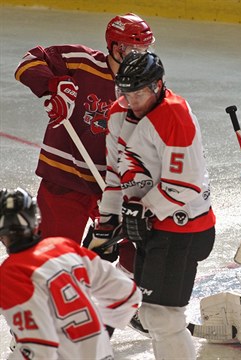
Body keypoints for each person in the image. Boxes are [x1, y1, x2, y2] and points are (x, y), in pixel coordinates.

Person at [90, 51, 216, 359]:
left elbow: (186, 185)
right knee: (148, 313)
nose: (131, 99)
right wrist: (108, 219)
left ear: (158, 86)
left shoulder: (176, 115)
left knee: (163, 317)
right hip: (151, 224)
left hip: (184, 226)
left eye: (139, 92)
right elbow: (116, 173)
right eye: (125, 92)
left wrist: (143, 207)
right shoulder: (119, 113)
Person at [13, 13, 155, 277]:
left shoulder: (143, 84)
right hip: (65, 179)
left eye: (144, 49)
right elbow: (29, 61)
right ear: (114, 46)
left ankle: (130, 300)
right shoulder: (82, 62)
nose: (139, 55)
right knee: (53, 258)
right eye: (132, 49)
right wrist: (54, 86)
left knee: (138, 244)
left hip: (112, 185)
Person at [0, 188, 141, 359]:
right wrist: (100, 336)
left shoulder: (11, 272)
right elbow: (128, 293)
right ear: (36, 220)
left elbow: (40, 347)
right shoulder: (65, 247)